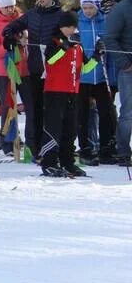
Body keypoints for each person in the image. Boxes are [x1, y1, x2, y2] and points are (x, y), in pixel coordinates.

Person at [3, 0, 63, 161]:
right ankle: (36, 148)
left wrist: (60, 44)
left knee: (51, 110)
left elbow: (69, 35)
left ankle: (53, 147)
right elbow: (12, 26)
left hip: (54, 70)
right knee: (35, 109)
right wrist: (8, 35)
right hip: (35, 69)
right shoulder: (32, 14)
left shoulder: (60, 15)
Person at [40, 11, 95, 177]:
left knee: (70, 129)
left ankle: (68, 161)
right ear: (61, 27)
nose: (71, 30)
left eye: (72, 26)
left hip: (73, 91)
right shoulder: (55, 40)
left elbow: (86, 67)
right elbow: (49, 60)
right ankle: (49, 162)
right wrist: (64, 48)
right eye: (67, 27)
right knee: (53, 128)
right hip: (54, 92)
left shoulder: (78, 45)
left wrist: (97, 57)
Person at [0, 0, 28, 156]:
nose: (10, 10)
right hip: (4, 70)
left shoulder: (21, 19)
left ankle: (25, 139)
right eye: (6, 7)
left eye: (12, 7)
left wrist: (23, 40)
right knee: (8, 105)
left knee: (28, 104)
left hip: (23, 68)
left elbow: (27, 39)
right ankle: (8, 141)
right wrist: (7, 46)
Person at [76, 0, 115, 165]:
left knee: (106, 112)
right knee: (83, 114)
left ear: (97, 6)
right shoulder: (77, 21)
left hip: (101, 75)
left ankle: (106, 147)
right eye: (85, 7)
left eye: (91, 7)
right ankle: (85, 147)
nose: (88, 11)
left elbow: (112, 41)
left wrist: (105, 44)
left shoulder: (105, 20)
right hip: (83, 76)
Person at [103, 0, 132, 167]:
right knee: (128, 112)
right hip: (129, 69)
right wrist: (125, 62)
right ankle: (123, 151)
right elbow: (109, 38)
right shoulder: (121, 9)